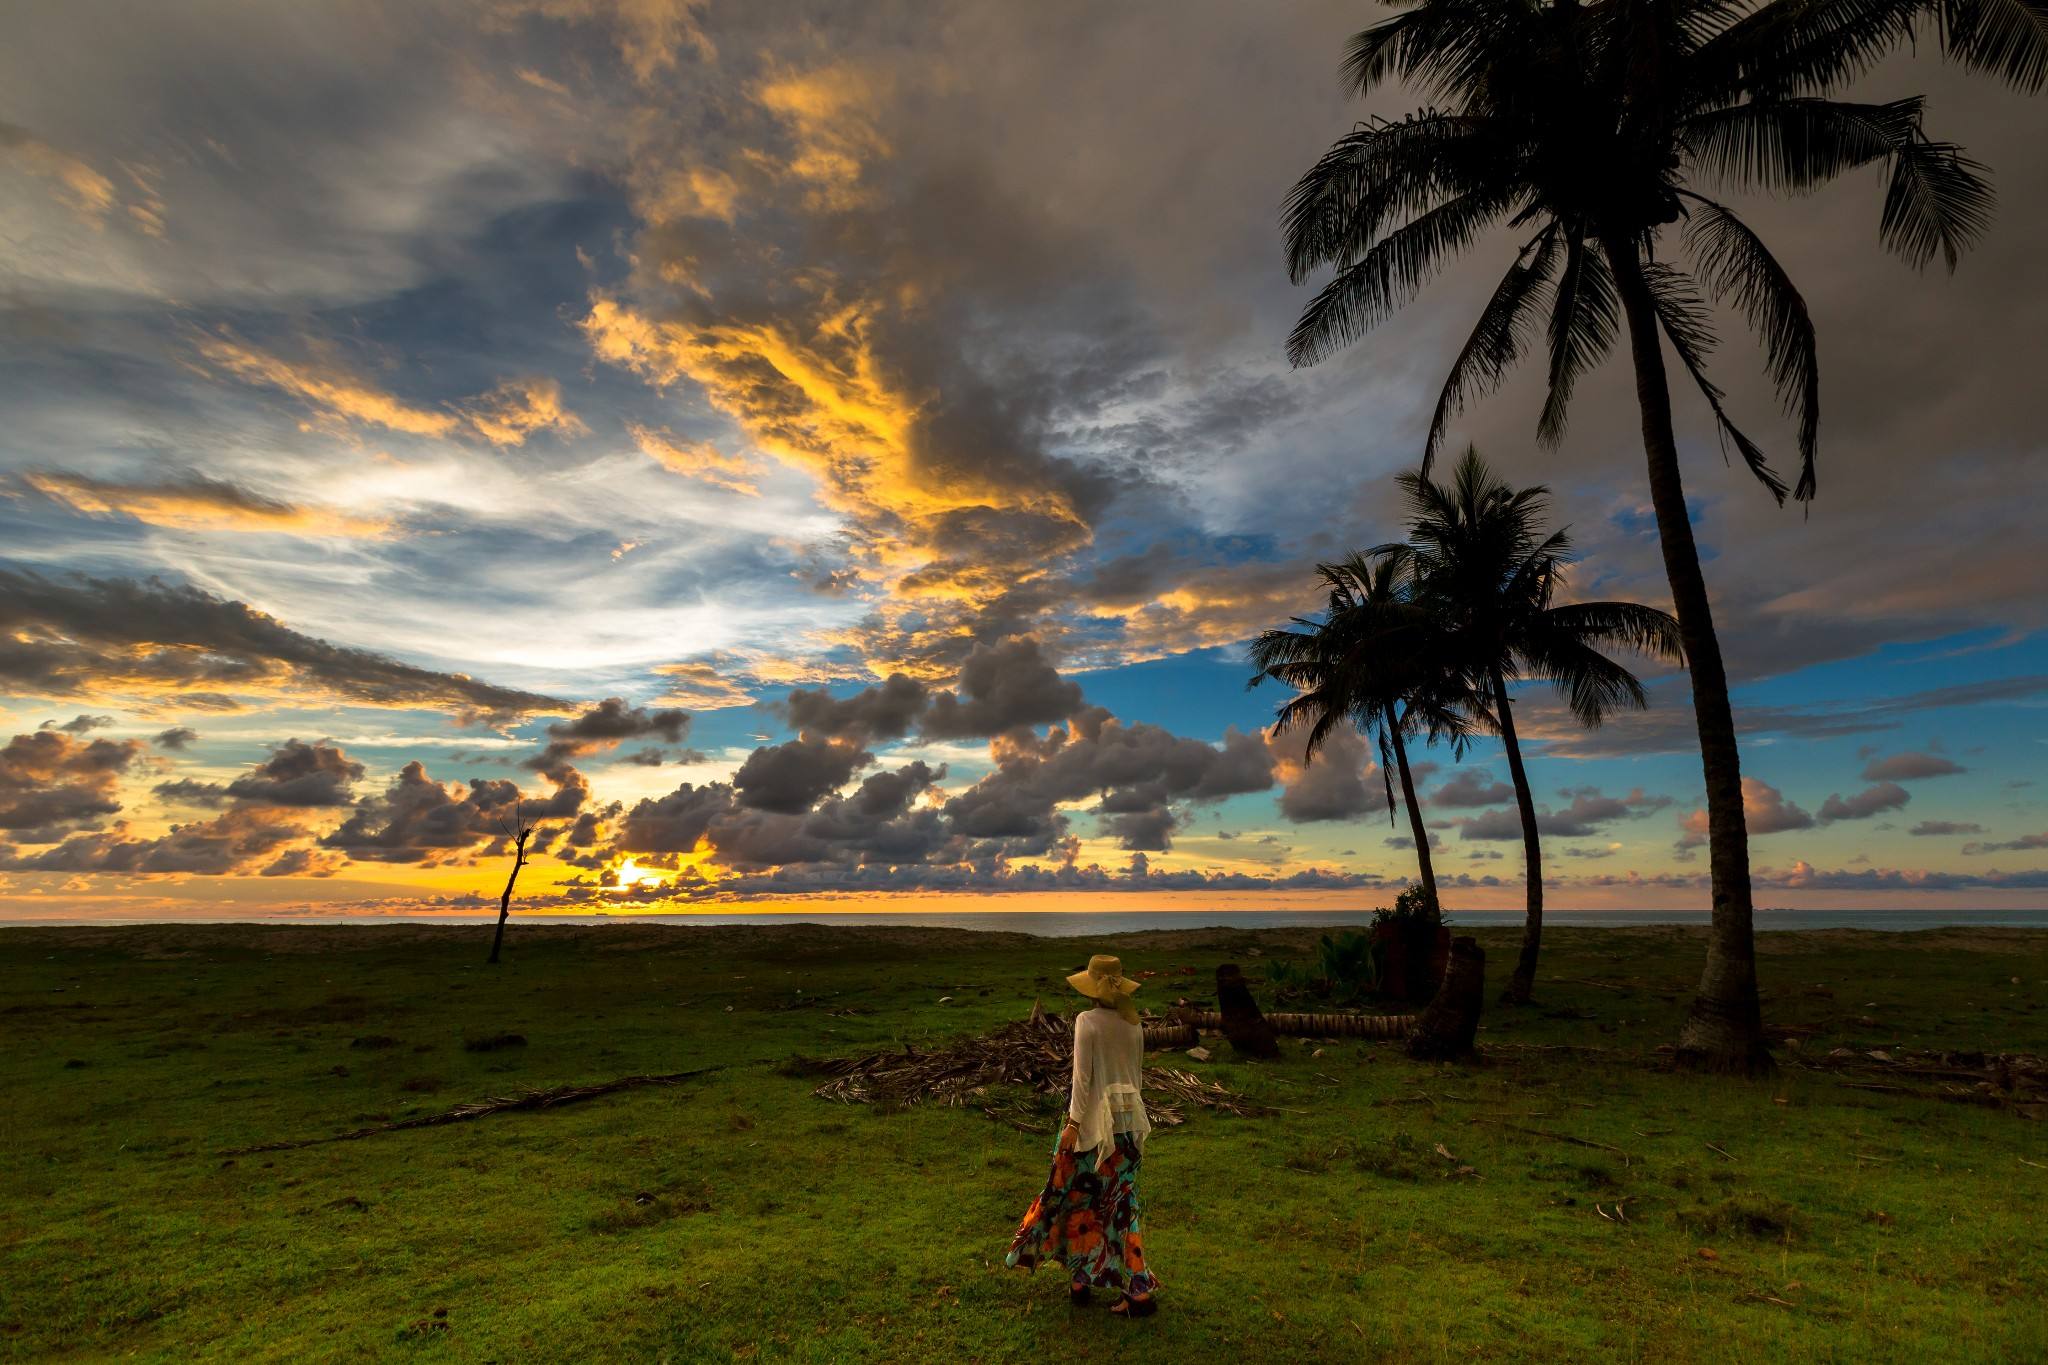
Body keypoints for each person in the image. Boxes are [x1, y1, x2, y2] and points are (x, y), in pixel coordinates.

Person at [1004, 953, 1159, 1317]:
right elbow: (1135, 1080)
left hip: (1090, 1131)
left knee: (1072, 1200)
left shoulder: (1086, 1022)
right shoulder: (1133, 1023)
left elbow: (1082, 1082)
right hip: (1128, 1130)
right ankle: (1123, 1288)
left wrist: (1072, 1127)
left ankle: (1081, 1282)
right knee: (1121, 1210)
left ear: (1092, 988)